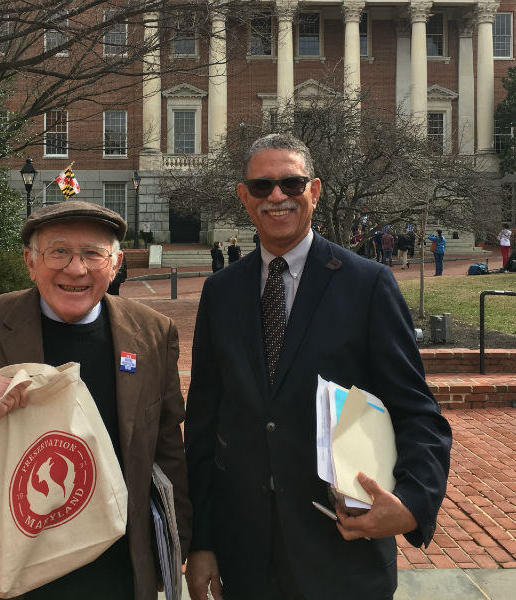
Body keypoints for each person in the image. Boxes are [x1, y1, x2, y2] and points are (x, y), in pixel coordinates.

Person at [184, 134, 452, 600]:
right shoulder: (220, 292)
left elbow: (417, 411)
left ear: (315, 190)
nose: (277, 196)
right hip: (246, 553)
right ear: (244, 197)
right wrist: (202, 540)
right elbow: (205, 422)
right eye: (263, 186)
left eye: (291, 183)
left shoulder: (367, 284)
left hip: (341, 549)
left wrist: (412, 502)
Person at [0, 201, 191, 600]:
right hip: (4, 568)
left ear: (116, 263)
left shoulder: (152, 332)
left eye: (92, 253)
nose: (75, 268)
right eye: (59, 251)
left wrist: (180, 543)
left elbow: (168, 446)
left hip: (113, 566)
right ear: (30, 263)